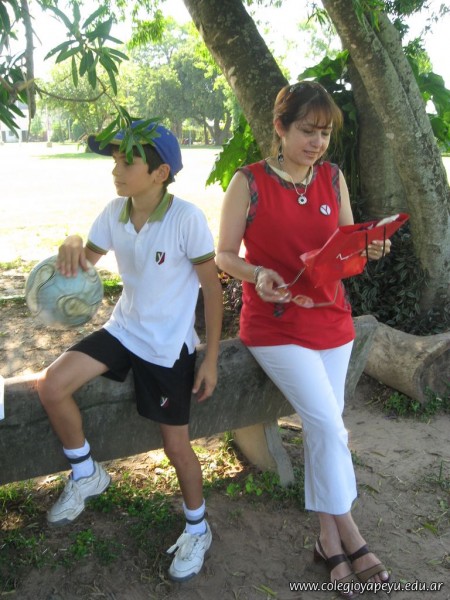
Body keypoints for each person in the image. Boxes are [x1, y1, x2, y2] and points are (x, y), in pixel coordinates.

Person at [216, 82, 391, 597]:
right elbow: (223, 254)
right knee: (330, 426)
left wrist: (366, 248)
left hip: (333, 321)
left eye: (325, 134)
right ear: (280, 127)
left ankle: (326, 538)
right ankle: (351, 534)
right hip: (275, 325)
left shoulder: (332, 177)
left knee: (324, 429)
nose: (317, 143)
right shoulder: (248, 182)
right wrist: (256, 274)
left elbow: (344, 248)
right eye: (307, 131)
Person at [37, 121, 223, 583]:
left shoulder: (186, 219)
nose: (116, 169)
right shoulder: (114, 212)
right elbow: (84, 263)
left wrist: (211, 358)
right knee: (51, 385)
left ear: (160, 173)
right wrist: (73, 242)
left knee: (175, 447)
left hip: (166, 347)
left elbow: (212, 289)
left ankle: (197, 528)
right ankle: (86, 472)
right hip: (124, 329)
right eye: (115, 160)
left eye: (127, 161)